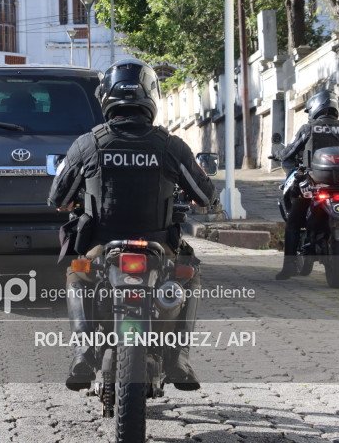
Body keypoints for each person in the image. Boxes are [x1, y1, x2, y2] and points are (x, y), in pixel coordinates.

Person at [48, 59, 216, 392]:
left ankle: (83, 352)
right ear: (151, 97)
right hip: (159, 247)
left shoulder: (88, 143)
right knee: (190, 274)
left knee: (76, 274)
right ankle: (179, 358)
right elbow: (205, 194)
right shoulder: (170, 145)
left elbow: (57, 197)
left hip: (101, 247)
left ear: (106, 97)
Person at [272, 90, 339, 279]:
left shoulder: (308, 129)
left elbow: (287, 154)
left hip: (314, 183)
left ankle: (290, 265)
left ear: (316, 108)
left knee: (294, 221)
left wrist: (278, 152)